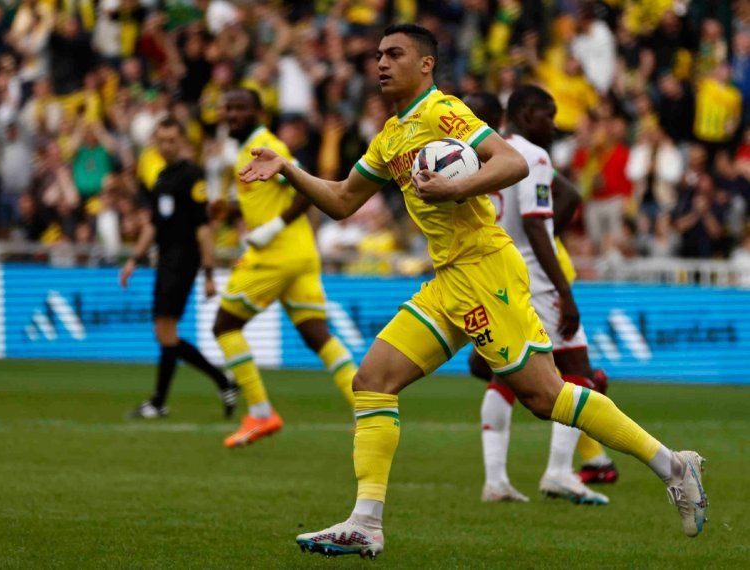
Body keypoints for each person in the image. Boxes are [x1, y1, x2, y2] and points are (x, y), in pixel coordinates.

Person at [239, 24, 708, 559]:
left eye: (395, 54)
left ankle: (673, 465)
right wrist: (287, 171)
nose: (381, 63)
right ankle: (366, 521)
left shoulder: (445, 112)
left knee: (544, 396)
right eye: (377, 55)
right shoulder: (391, 135)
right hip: (448, 279)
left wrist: (455, 185)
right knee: (372, 380)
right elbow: (344, 199)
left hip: (486, 268)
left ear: (426, 64)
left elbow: (511, 162)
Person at [464, 89, 615, 506]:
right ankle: (560, 471)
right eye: (548, 117)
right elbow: (535, 226)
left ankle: (495, 481)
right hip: (536, 281)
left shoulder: (485, 151)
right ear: (527, 115)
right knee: (578, 371)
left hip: (495, 278)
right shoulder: (533, 156)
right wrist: (565, 292)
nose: (553, 125)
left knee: (502, 376)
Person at [213, 88, 358, 449]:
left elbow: (303, 189)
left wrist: (271, 229)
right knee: (316, 335)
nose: (231, 114)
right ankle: (367, 407)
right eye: (227, 107)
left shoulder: (264, 144)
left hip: (276, 255)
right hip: (302, 253)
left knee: (225, 325)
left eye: (240, 108)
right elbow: (269, 197)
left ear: (259, 113)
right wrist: (231, 214)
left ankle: (261, 413)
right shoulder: (251, 146)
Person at [119, 118, 237, 419]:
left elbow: (204, 229)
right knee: (165, 334)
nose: (166, 145)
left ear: (182, 141)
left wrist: (209, 274)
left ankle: (215, 383)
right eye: (161, 139)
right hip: (165, 261)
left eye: (171, 140)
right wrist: (133, 260)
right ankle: (167, 399)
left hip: (183, 262)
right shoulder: (161, 178)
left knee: (165, 331)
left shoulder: (192, 176)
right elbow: (154, 227)